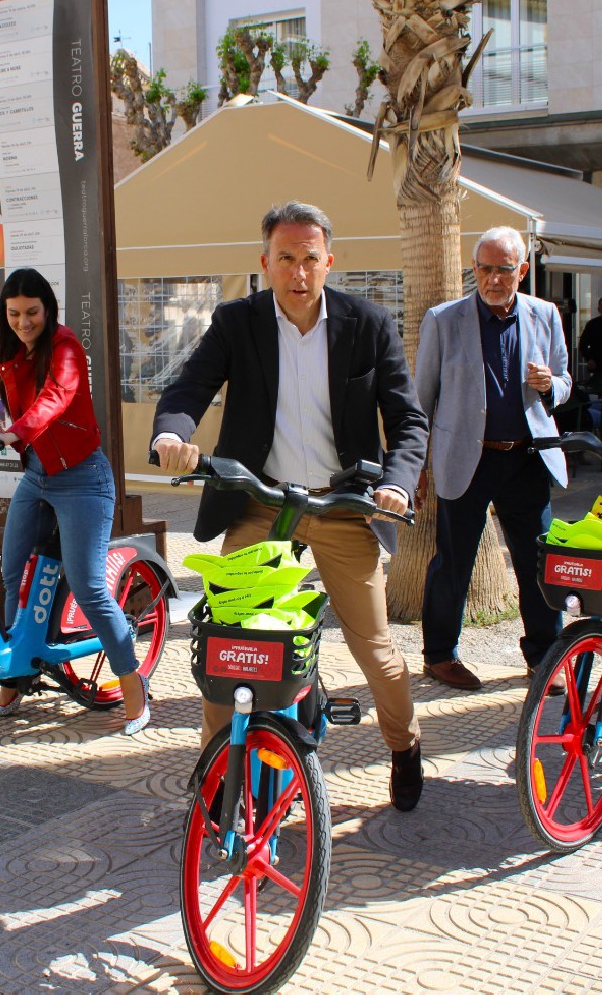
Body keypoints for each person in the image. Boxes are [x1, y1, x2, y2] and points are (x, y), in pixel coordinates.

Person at [151, 201, 429, 812]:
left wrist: (398, 485)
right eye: (286, 259)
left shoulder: (369, 324)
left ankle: (404, 745)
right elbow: (190, 387)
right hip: (261, 504)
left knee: (374, 649)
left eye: (310, 259)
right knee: (231, 639)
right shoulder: (236, 323)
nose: (298, 272)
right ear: (265, 263)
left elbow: (408, 420)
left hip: (343, 507)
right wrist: (172, 434)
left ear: (329, 262)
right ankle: (219, 778)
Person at [0, 268, 152, 735]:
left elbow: (56, 399)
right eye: (13, 314)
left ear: (48, 310)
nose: (23, 322)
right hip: (38, 477)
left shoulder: (65, 348)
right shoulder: (9, 355)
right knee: (12, 570)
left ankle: (134, 689)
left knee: (88, 588)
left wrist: (11, 432)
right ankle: (17, 674)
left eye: (32, 313)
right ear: (3, 315)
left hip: (83, 479)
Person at [415, 225, 572, 692]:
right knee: (452, 562)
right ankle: (440, 656)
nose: (493, 279)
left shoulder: (545, 315)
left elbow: (565, 382)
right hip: (468, 458)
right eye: (484, 269)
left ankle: (544, 656)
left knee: (537, 562)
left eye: (504, 269)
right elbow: (422, 399)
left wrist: (550, 386)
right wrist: (416, 467)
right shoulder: (444, 319)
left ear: (522, 270)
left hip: (527, 459)